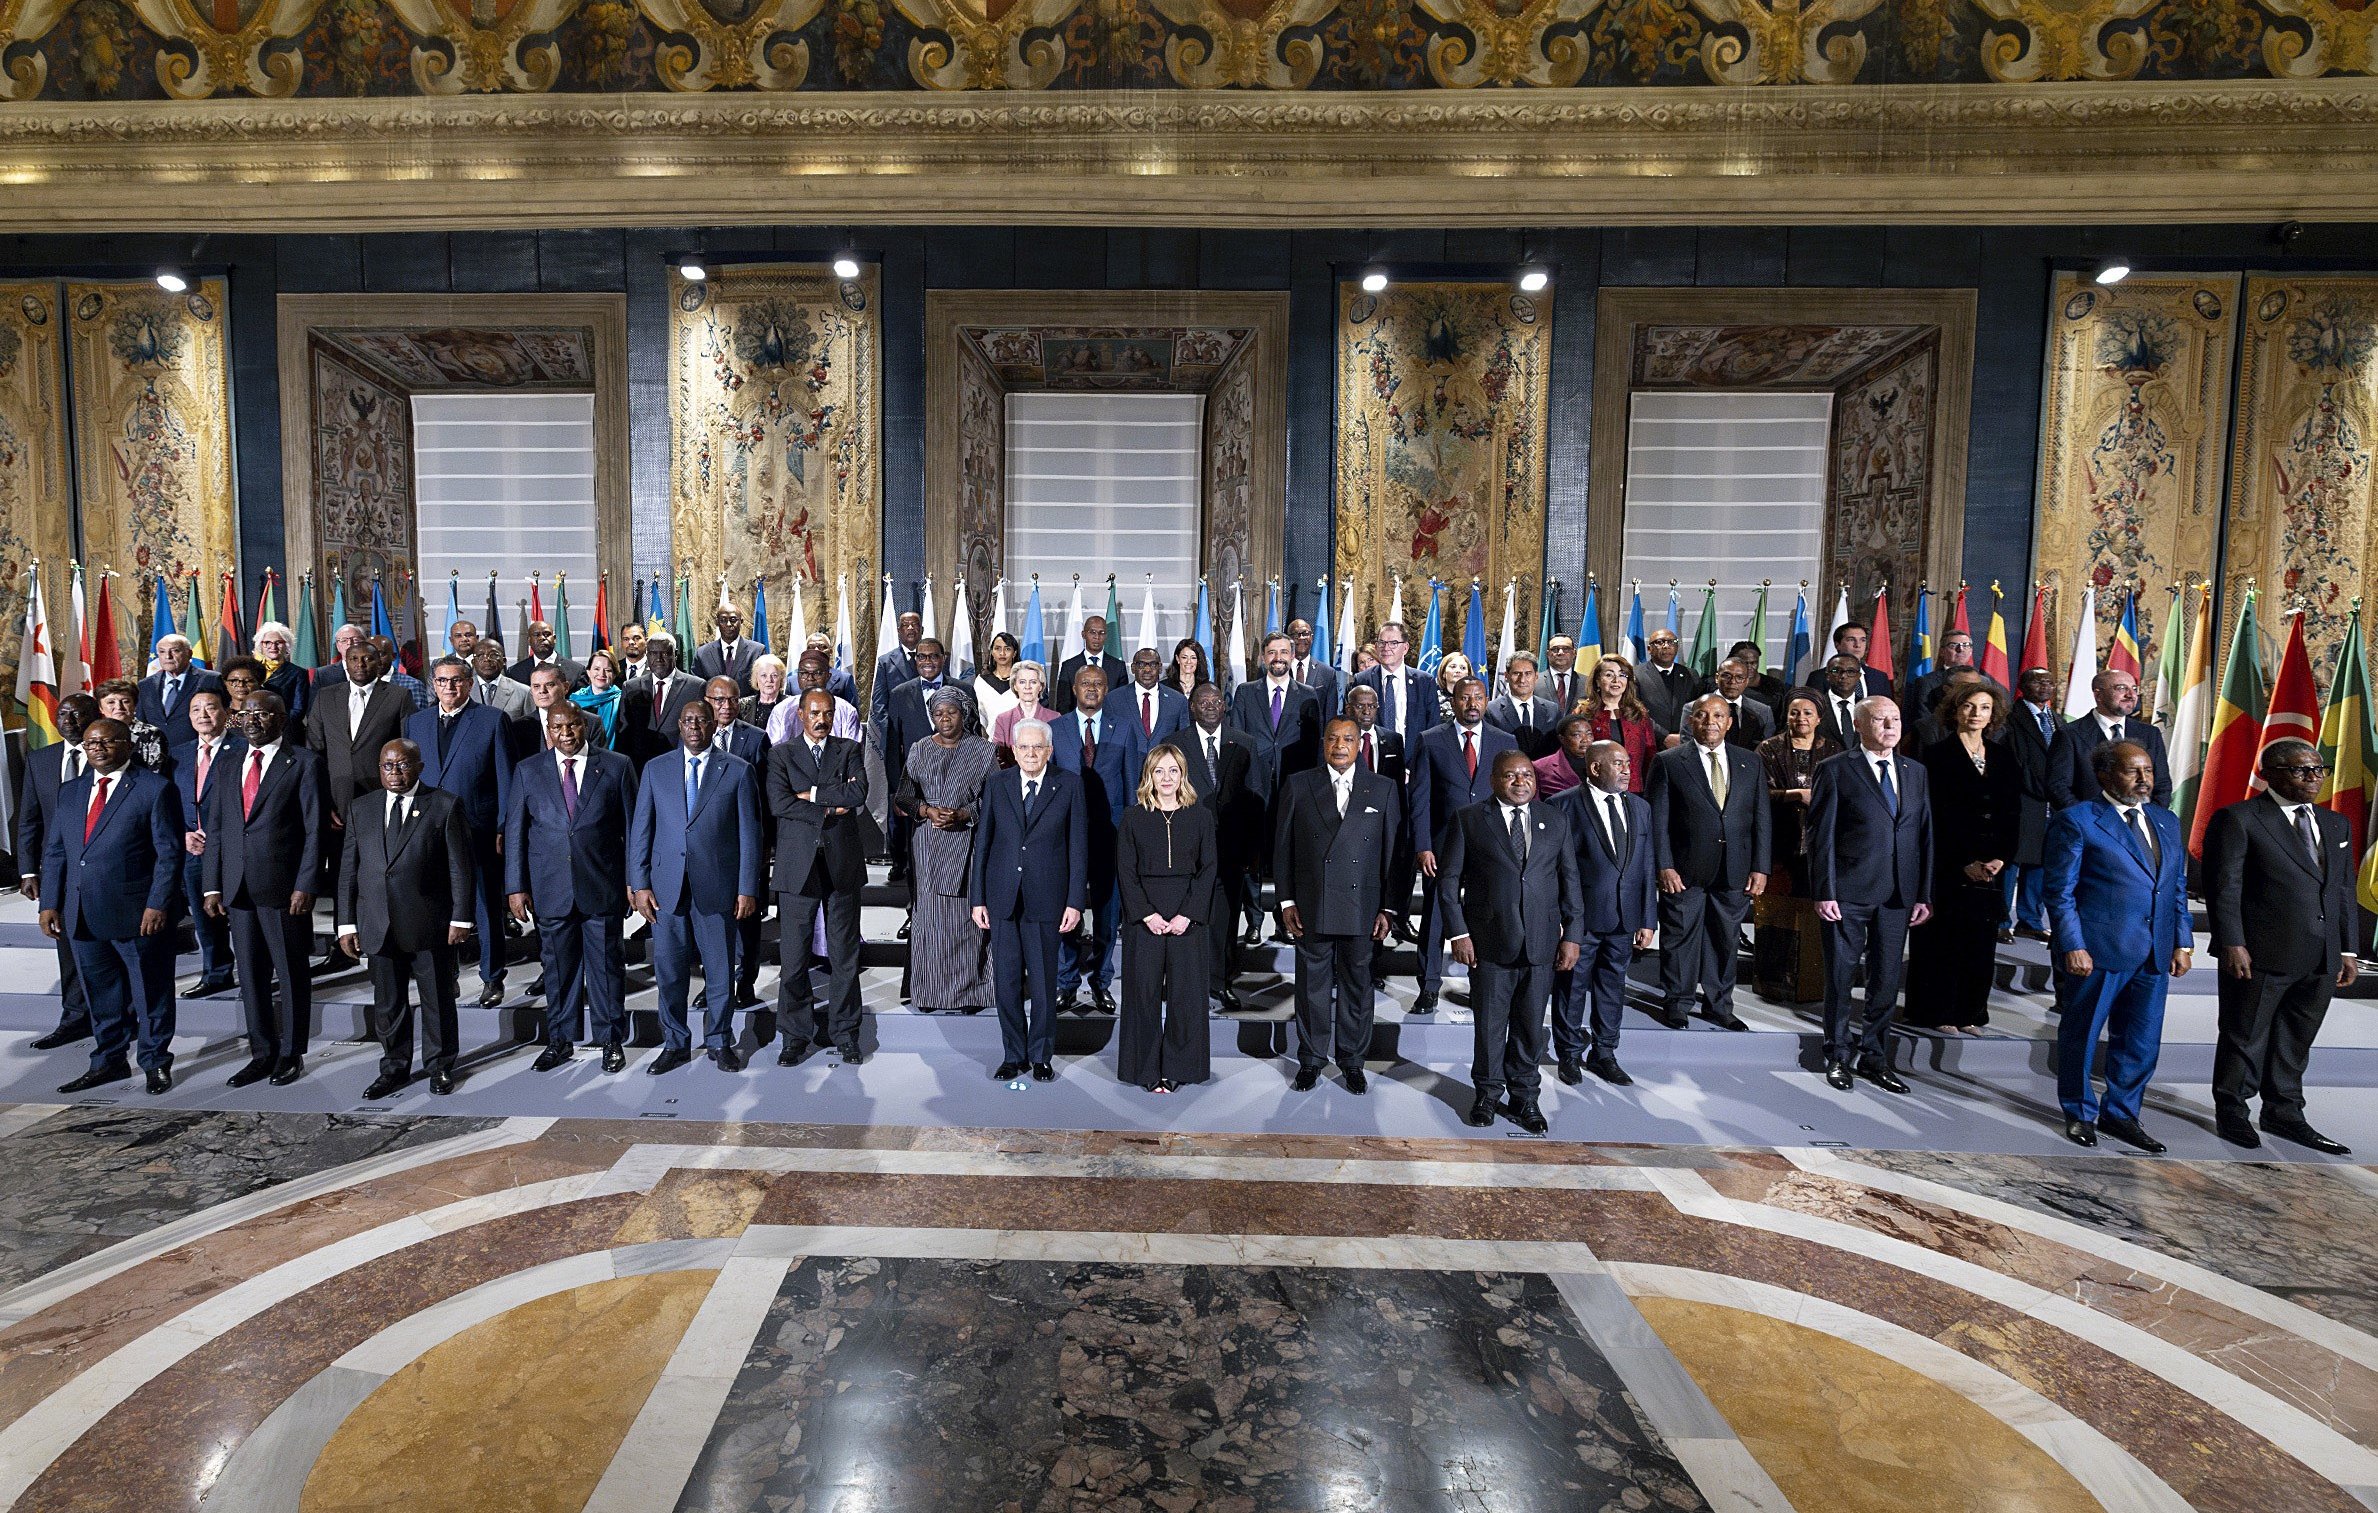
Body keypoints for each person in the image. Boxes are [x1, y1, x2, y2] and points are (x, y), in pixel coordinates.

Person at [2203, 739, 2358, 1154]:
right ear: (2270, 773)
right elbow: (2225, 887)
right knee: (2244, 1034)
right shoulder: (2240, 819)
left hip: (2322, 955)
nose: (2313, 778)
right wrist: (2232, 942)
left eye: (2318, 769)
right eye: (2301, 770)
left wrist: (2347, 949)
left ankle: (2284, 1111)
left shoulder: (2336, 824)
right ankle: (2233, 1109)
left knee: (2296, 1039)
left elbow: (2342, 890)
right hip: (2260, 952)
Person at [2046, 740, 2191, 1151]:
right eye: (2134, 772)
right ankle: (2079, 1112)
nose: (2145, 780)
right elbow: (2060, 893)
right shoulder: (2078, 820)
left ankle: (2122, 1115)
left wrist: (2182, 941)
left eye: (2148, 771)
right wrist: (2072, 944)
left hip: (2154, 951)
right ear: (2106, 775)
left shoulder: (2166, 820)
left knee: (2141, 1041)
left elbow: (2175, 886)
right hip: (2098, 950)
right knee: (2083, 1033)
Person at [39, 718, 184, 1096]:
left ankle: (155, 1062)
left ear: (127, 744)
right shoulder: (69, 792)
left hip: (137, 914)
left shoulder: (154, 788)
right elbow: (56, 852)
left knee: (150, 991)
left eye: (106, 741)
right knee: (101, 994)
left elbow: (169, 854)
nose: (98, 748)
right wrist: (50, 902)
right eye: (90, 743)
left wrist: (158, 903)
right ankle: (108, 1061)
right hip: (82, 912)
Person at [1441, 750, 1583, 1133]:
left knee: (1530, 1026)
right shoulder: (1469, 819)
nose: (1521, 782)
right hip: (1487, 942)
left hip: (1541, 943)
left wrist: (1572, 935)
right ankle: (1487, 1093)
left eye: (1527, 776)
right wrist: (1459, 932)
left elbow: (1570, 879)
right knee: (1489, 1025)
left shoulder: (1554, 820)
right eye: (1511, 776)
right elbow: (1449, 882)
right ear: (1493, 780)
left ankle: (1525, 1097)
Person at [628, 702, 763, 1074]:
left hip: (717, 888)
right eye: (688, 721)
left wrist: (747, 887)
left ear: (712, 725)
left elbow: (750, 836)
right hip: (665, 889)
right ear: (679, 725)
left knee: (720, 972)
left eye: (701, 721)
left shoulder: (738, 771)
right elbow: (641, 829)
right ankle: (675, 1043)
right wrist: (638, 883)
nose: (694, 727)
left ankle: (720, 1041)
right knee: (669, 973)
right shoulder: (656, 770)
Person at [1807, 698, 1932, 1090]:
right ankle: (1838, 1055)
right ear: (1859, 725)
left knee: (1885, 980)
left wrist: (1923, 893)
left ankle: (1875, 1058)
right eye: (1881, 719)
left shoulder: (1916, 772)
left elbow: (1925, 835)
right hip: (1848, 893)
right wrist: (1825, 891)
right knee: (1842, 978)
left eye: (1895, 719)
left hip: (1898, 895)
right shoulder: (1835, 769)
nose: (1890, 726)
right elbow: (1820, 836)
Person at [200, 690, 324, 1086]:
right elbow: (217, 827)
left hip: (284, 888)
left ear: (281, 719)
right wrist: (211, 886)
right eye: (246, 714)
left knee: (290, 973)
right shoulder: (228, 761)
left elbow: (314, 829)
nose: (252, 720)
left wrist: (306, 883)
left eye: (262, 714)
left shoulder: (303, 763)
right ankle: (261, 1052)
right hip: (237, 888)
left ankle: (291, 1053)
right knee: (250, 975)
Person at [340, 739, 476, 1099]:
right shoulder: (361, 808)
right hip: (377, 923)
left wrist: (462, 917)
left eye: (402, 765)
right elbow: (348, 872)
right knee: (388, 1004)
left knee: (437, 999)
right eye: (387, 766)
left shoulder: (444, 805)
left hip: (429, 924)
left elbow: (460, 868)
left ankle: (440, 1065)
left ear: (419, 766)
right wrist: (346, 923)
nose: (394, 773)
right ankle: (394, 1068)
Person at [506, 704, 637, 1075]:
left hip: (603, 886)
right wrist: (516, 887)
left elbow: (634, 831)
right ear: (548, 729)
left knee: (607, 969)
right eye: (558, 726)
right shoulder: (528, 770)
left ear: (585, 726)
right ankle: (559, 1041)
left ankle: (611, 1041)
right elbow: (515, 833)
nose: (566, 733)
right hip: (551, 889)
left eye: (573, 724)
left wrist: (633, 881)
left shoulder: (617, 766)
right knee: (558, 970)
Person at [1274, 716, 1400, 1093]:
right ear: (1323, 743)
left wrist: (1389, 908)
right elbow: (1282, 849)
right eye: (1333, 739)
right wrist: (1286, 900)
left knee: (1357, 987)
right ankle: (1311, 1059)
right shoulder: (1299, 784)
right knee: (1311, 987)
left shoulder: (1383, 788)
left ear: (1360, 744)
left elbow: (1395, 853)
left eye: (1348, 739)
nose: (1340, 746)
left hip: (1363, 905)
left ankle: (1352, 1060)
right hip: (1312, 904)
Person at [970, 720, 1087, 1081]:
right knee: (1006, 983)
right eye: (1024, 747)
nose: (1031, 753)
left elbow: (1077, 847)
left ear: (1049, 751)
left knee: (1042, 983)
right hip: (1003, 898)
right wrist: (978, 899)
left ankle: (1041, 1056)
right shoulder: (997, 784)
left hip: (1047, 900)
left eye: (1038, 747)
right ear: (1014, 750)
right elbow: (983, 844)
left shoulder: (1068, 785)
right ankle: (1013, 1055)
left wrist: (1074, 902)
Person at [1648, 694, 1770, 1032]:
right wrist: (1664, 864)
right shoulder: (1669, 761)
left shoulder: (1750, 762)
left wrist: (1761, 866)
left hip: (1734, 868)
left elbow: (1761, 817)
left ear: (1729, 722)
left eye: (1718, 715)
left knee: (1725, 938)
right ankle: (1678, 1002)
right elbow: (1658, 820)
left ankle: (1719, 1005)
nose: (1710, 721)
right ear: (1691, 721)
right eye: (1702, 715)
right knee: (1679, 936)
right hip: (1683, 870)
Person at [768, 689, 876, 1065]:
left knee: (844, 955)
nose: (821, 719)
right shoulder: (781, 754)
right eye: (815, 712)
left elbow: (860, 791)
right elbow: (779, 803)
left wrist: (810, 794)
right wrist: (832, 806)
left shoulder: (848, 750)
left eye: (827, 713)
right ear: (800, 714)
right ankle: (795, 1035)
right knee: (794, 958)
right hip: (798, 867)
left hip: (841, 865)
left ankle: (845, 1032)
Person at [1905, 682, 2017, 1033]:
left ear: (1993, 715)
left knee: (1979, 944)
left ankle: (1971, 1012)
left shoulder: (2003, 757)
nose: (1976, 714)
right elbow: (1934, 817)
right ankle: (1936, 1012)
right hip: (1948, 866)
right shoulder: (1936, 756)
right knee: (1943, 942)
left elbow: (2013, 813)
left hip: (1990, 868)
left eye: (1984, 708)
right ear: (1955, 711)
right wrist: (1961, 862)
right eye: (1969, 706)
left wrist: (2001, 857)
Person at [409, 656, 514, 1008]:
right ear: (433, 684)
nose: (449, 687)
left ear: (469, 684)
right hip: (430, 831)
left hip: (478, 829)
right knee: (438, 907)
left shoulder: (492, 720)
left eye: (456, 681)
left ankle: (493, 977)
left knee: (485, 906)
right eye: (442, 681)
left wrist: (502, 826)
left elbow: (505, 780)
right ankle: (446, 977)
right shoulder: (416, 722)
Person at [1552, 741, 1656, 1086]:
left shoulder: (1640, 807)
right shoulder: (1562, 806)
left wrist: (1647, 918)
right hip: (1579, 922)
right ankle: (1568, 1054)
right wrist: (1564, 924)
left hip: (1625, 919)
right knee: (1572, 988)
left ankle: (1605, 1053)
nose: (1627, 770)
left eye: (1628, 763)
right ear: (1595, 768)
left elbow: (1645, 865)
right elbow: (1556, 871)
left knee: (1613, 988)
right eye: (1618, 764)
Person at [1410, 676, 1516, 1015]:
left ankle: (1481, 985)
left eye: (1478, 697)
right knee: (1437, 914)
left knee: (1484, 916)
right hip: (1442, 847)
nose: (1472, 704)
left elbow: (1512, 798)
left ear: (1486, 700)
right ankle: (1428, 986)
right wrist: (1423, 846)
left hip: (1490, 846)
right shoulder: (1430, 740)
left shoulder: (1505, 741)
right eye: (1465, 698)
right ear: (1453, 702)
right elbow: (1421, 800)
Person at [1115, 743, 1218, 1092]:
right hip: (1145, 919)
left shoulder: (1200, 815)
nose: (1166, 778)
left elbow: (1209, 869)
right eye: (1159, 770)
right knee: (1141, 995)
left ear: (1183, 774)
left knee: (1186, 997)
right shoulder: (1133, 816)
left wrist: (1188, 915)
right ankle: (1144, 1070)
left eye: (1173, 770)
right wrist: (1146, 914)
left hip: (1187, 917)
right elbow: (1125, 871)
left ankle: (1180, 1068)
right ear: (1149, 775)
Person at [1050, 662, 1147, 1013]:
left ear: (1107, 691)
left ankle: (1101, 982)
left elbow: (1133, 787)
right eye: (1085, 683)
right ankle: (1067, 982)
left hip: (1111, 836)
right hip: (1065, 840)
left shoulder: (1123, 728)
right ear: (1074, 689)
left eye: (1098, 684)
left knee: (1108, 916)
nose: (1091, 689)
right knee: (1068, 913)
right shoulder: (1055, 729)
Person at [897, 685, 998, 1014]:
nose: (944, 719)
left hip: (968, 845)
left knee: (964, 923)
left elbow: (997, 800)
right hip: (927, 846)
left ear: (963, 714)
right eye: (938, 713)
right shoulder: (919, 749)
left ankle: (969, 994)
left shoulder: (983, 751)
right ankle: (928, 994)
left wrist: (966, 813)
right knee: (928, 923)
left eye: (951, 712)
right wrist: (926, 811)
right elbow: (904, 796)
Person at [16, 693, 100, 1050]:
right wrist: (26, 871)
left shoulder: (110, 753)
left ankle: (119, 1017)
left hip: (105, 871)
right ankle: (75, 1018)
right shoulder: (41, 760)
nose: (69, 720)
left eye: (77, 714)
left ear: (93, 717)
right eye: (62, 714)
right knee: (67, 950)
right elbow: (30, 820)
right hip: (58, 873)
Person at [1752, 690, 1840, 1002]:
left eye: (1806, 713)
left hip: (1819, 845)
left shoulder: (1833, 749)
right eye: (1794, 712)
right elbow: (1759, 793)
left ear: (1818, 718)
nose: (1800, 718)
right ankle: (1772, 982)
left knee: (1815, 914)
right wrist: (1795, 794)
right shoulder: (1768, 748)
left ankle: (1809, 982)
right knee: (1776, 915)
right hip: (1778, 843)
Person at [306, 633, 413, 890]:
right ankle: (344, 928)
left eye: (367, 659)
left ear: (379, 663)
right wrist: (324, 801)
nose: (360, 664)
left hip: (383, 797)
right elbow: (315, 752)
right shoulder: (325, 697)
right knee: (342, 875)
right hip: (338, 802)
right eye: (354, 659)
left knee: (382, 871)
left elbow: (408, 748)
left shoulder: (399, 696)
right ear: (345, 663)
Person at [174, 686, 239, 998]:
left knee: (240, 916)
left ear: (225, 712)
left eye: (210, 708)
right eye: (196, 709)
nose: (203, 715)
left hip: (234, 849)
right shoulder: (178, 755)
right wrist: (184, 834)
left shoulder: (242, 750)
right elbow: (169, 804)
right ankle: (216, 973)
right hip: (193, 851)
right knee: (204, 917)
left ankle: (257, 972)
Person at [2048, 667, 2171, 809]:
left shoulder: (2150, 734)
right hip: (2089, 825)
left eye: (2134, 688)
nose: (2131, 695)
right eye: (2121, 688)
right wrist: (2085, 821)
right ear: (2098, 695)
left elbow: (2162, 784)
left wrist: (2150, 819)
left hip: (2139, 824)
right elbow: (2058, 787)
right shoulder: (2069, 734)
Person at [2002, 665, 2059, 940]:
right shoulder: (2011, 718)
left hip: (2051, 803)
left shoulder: (2056, 719)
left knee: (2040, 862)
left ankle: (2030, 920)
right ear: (2024, 686)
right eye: (2038, 682)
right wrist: (2044, 788)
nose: (2045, 687)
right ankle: (2000, 921)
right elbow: (2015, 762)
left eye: (2049, 682)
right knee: (2011, 862)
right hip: (2022, 800)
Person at [1231, 631, 1322, 785]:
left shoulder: (1308, 695)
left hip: (1294, 779)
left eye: (1284, 652)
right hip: (1253, 780)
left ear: (1292, 656)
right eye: (1272, 652)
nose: (1278, 658)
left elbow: (1314, 744)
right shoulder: (1245, 692)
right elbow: (1237, 737)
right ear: (1263, 657)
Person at [1576, 655, 1659, 788]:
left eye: (1622, 675)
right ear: (1597, 680)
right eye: (1609, 675)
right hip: (1597, 788)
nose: (1616, 680)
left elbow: (1650, 754)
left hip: (1634, 789)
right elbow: (1576, 754)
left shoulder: (1639, 713)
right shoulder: (1584, 713)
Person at [135, 633, 223, 755]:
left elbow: (221, 716)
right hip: (155, 756)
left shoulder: (210, 679)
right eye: (162, 652)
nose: (168, 656)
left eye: (175, 651)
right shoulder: (146, 685)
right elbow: (141, 723)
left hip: (195, 753)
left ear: (189, 654)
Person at [626, 631, 705, 765]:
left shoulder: (696, 686)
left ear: (676, 653)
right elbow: (624, 734)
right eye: (653, 653)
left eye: (665, 653)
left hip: (679, 763)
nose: (659, 658)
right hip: (640, 765)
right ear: (647, 655)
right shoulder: (631, 687)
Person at [1350, 620, 1438, 741]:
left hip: (1414, 755)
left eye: (1393, 643)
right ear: (1376, 646)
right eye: (1382, 643)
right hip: (1375, 754)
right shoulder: (1362, 679)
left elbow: (1433, 725)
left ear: (1405, 648)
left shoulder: (1424, 681)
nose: (1386, 648)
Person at [1050, 613, 1127, 716]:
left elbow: (1121, 704)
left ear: (1106, 636)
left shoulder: (1118, 667)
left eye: (1102, 633)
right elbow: (1063, 705)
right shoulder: (1069, 666)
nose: (1097, 637)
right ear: (1083, 634)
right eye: (1092, 632)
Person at [1486, 651, 1560, 759]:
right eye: (1516, 673)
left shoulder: (1552, 710)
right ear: (1506, 676)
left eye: (1528, 673)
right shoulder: (1491, 710)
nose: (1522, 680)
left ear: (1536, 676)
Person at [95, 678, 170, 774]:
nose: (119, 707)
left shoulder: (151, 734)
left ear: (135, 705)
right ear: (101, 708)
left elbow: (156, 773)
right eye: (111, 702)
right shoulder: (94, 734)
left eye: (125, 701)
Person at [1902, 628, 1976, 723]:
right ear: (1942, 651)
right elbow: (1924, 720)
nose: (1960, 649)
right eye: (1953, 645)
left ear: (1971, 651)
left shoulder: (1983, 681)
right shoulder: (1926, 682)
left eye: (1965, 645)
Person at [1634, 628, 1697, 737]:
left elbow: (1697, 709)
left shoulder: (1690, 674)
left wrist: (1683, 736)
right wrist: (1664, 736)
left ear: (1677, 648)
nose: (1666, 646)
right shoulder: (1635, 674)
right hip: (1650, 741)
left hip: (1683, 741)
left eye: (1671, 642)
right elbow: (1634, 711)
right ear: (1649, 649)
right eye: (1659, 642)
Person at [1121, 646, 1190, 745]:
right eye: (1141, 664)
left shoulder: (1178, 701)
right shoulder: (1114, 700)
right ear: (1133, 668)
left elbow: (1184, 741)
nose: (1147, 669)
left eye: (1153, 664)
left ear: (1160, 668)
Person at [1341, 684, 1406, 786]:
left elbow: (1399, 786)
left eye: (1372, 706)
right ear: (1348, 709)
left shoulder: (1394, 740)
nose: (1367, 711)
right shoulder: (1336, 741)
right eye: (1360, 706)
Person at [871, 609, 925, 730]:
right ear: (899, 630)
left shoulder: (933, 659)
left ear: (922, 629)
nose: (910, 628)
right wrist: (891, 733)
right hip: (898, 731)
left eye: (915, 624)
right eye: (905, 625)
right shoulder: (885, 662)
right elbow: (879, 704)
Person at [691, 604, 763, 692]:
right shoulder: (702, 654)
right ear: (716, 622)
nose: (728, 624)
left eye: (733, 620)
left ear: (741, 621)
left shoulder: (757, 651)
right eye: (723, 620)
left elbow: (762, 687)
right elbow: (696, 689)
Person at [252, 620, 311, 723]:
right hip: (253, 727)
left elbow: (298, 710)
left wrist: (274, 723)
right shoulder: (251, 669)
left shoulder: (298, 673)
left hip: (285, 728)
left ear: (286, 645)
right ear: (261, 645)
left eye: (278, 642)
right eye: (267, 642)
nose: (273, 647)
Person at [1806, 653, 1869, 751]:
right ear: (1827, 676)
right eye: (1836, 671)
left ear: (1858, 676)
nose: (1843, 676)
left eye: (1850, 671)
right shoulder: (1813, 707)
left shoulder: (1868, 709)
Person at [1710, 659, 1775, 750]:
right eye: (1727, 676)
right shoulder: (1694, 708)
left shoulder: (1763, 711)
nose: (1732, 681)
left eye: (1739, 677)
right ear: (1717, 678)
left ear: (1746, 681)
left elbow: (1766, 750)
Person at [466, 638, 534, 724]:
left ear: (504, 661)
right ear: (473, 662)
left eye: (494, 655)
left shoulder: (523, 692)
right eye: (480, 655)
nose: (487, 659)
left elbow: (531, 728)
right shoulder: (462, 690)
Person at [571, 647, 626, 750]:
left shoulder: (623, 700)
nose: (602, 674)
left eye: (608, 670)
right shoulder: (575, 700)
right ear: (588, 672)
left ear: (614, 674)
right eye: (597, 669)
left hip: (612, 756)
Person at [507, 619, 586, 691]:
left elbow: (582, 703)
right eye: (536, 635)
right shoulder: (514, 672)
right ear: (529, 641)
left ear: (554, 639)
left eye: (546, 634)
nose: (542, 638)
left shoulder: (577, 671)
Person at [990, 660, 1052, 749]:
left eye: (1033, 682)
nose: (1027, 687)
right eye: (1022, 682)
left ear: (1041, 686)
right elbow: (998, 757)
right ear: (1015, 686)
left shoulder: (1054, 718)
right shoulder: (1003, 719)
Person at [1286, 617, 1341, 717]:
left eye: (1306, 634)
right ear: (1288, 639)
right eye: (1296, 635)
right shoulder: (1280, 668)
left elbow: (1330, 713)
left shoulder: (1327, 673)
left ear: (1311, 637)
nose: (1301, 638)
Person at [1532, 713, 1595, 799]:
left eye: (1589, 734)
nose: (1585, 740)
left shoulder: (1603, 762)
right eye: (1577, 735)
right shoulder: (1540, 767)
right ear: (1562, 739)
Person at [1831, 621, 1894, 697]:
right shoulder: (1820, 677)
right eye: (1851, 640)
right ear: (1837, 645)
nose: (1858, 645)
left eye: (1862, 640)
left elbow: (1887, 707)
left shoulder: (1879, 678)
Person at [973, 632, 1022, 729]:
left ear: (1014, 653)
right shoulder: (982, 682)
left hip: (1022, 739)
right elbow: (979, 716)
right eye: (997, 648)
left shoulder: (1023, 680)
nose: (1002, 653)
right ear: (991, 652)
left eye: (1007, 649)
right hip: (991, 740)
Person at [741, 654, 792, 731]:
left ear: (781, 678)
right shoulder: (742, 705)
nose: (769, 680)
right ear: (756, 678)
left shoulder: (790, 704)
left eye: (774, 675)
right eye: (764, 675)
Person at [312, 622, 364, 688]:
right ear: (337, 646)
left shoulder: (374, 670)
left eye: (355, 640)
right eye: (344, 640)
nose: (350, 643)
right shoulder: (323, 674)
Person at [1541, 635, 1584, 713]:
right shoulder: (1535, 681)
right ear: (1547, 654)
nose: (1560, 653)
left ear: (1574, 653)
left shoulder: (1587, 683)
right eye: (1555, 649)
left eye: (1566, 649)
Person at [1431, 652, 1474, 724]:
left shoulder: (1475, 700)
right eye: (1453, 666)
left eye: (1463, 668)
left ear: (1468, 674)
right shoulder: (1433, 699)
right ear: (1443, 673)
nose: (1458, 671)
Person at [1165, 638, 1209, 703]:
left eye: (1193, 658)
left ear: (1198, 660)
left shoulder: (1207, 688)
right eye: (1184, 657)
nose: (1188, 662)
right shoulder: (1165, 687)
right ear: (1177, 659)